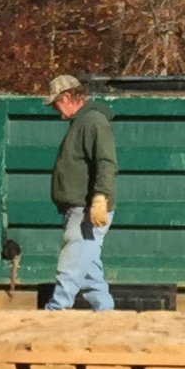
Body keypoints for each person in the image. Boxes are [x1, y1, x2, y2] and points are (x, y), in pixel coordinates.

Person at [42, 72, 116, 310]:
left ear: (66, 97)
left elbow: (106, 162)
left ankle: (56, 309)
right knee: (88, 270)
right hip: (79, 207)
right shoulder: (82, 122)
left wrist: (99, 197)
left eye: (56, 104)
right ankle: (105, 314)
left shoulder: (93, 122)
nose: (56, 111)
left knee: (72, 263)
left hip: (85, 209)